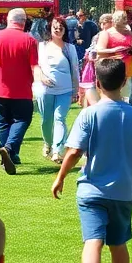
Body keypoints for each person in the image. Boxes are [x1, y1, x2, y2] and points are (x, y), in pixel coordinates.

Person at [52, 58, 132, 263]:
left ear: (97, 83)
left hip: (91, 191)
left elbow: (74, 152)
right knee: (118, 244)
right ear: (125, 81)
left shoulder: (89, 113)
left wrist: (60, 177)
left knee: (92, 242)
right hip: (122, 191)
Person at [0, 7, 50, 174]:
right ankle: (10, 149)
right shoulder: (29, 40)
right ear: (24, 22)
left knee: (3, 122)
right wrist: (42, 77)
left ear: (8, 20)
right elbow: (34, 65)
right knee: (22, 119)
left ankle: (11, 155)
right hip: (21, 89)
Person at [35, 17, 80, 163]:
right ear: (50, 29)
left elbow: (75, 70)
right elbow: (36, 66)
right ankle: (48, 142)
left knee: (59, 118)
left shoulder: (69, 48)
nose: (58, 29)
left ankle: (57, 151)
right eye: (55, 26)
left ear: (65, 30)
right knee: (46, 120)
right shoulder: (42, 46)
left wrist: (75, 90)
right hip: (45, 90)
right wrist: (41, 77)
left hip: (65, 89)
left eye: (61, 27)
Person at [94, 10, 132, 102]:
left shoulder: (129, 33)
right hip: (111, 70)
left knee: (126, 96)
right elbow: (99, 51)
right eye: (123, 18)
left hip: (126, 70)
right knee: (110, 96)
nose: (126, 20)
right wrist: (114, 50)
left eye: (126, 18)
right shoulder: (106, 33)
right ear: (116, 20)